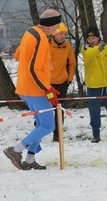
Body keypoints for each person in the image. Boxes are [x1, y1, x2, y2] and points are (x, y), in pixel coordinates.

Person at [3, 9, 61, 170]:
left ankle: (29, 160)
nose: (56, 30)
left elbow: (17, 55)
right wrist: (48, 89)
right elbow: (34, 69)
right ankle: (15, 150)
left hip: (25, 88)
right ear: (51, 25)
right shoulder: (41, 38)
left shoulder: (29, 33)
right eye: (56, 26)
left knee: (40, 125)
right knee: (48, 126)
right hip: (37, 90)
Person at [81, 26, 107, 143]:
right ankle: (96, 134)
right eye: (89, 38)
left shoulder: (106, 48)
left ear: (98, 38)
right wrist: (98, 49)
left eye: (93, 38)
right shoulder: (85, 49)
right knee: (94, 111)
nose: (91, 40)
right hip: (93, 86)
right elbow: (88, 56)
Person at [49, 22, 76, 142]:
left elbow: (72, 63)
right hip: (48, 86)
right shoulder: (46, 45)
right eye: (61, 33)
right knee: (46, 108)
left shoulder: (68, 46)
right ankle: (39, 129)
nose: (63, 36)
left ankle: (57, 134)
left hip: (62, 85)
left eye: (65, 34)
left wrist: (69, 79)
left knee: (59, 109)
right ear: (54, 34)